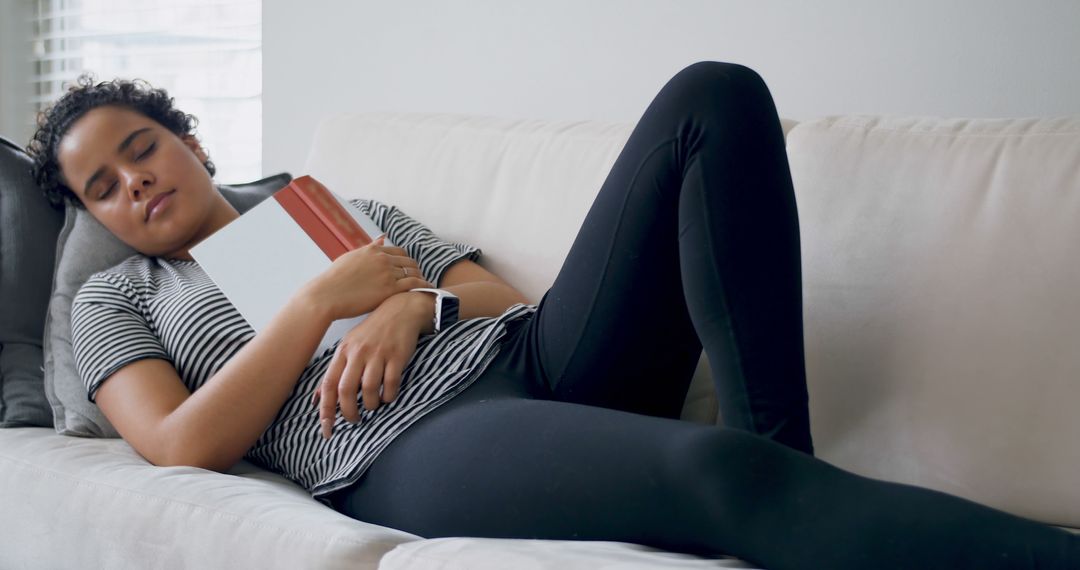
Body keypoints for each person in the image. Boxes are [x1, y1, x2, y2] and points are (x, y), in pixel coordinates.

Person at [27, 61, 1079, 570]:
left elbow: (496, 297)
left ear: (189, 143)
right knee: (710, 474)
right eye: (102, 191)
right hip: (412, 445)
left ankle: (780, 464)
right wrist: (319, 305)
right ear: (96, 219)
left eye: (140, 151)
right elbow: (176, 445)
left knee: (712, 97)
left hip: (526, 352)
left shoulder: (324, 205)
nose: (134, 187)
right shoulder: (120, 298)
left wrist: (411, 305)